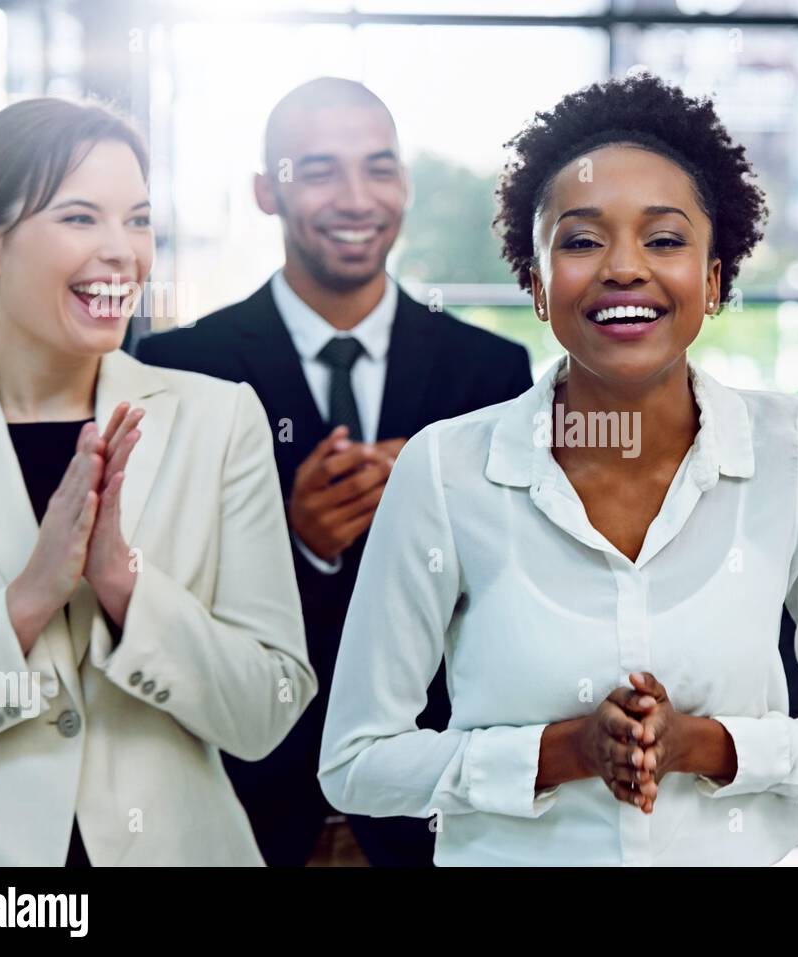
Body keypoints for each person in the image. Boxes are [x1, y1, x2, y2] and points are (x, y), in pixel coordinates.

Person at [319, 73, 798, 866]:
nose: (623, 267)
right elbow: (355, 763)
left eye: (664, 239)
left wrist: (705, 745)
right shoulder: (445, 469)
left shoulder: (794, 449)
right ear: (535, 283)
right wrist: (562, 752)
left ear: (713, 278)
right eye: (581, 239)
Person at [135, 78, 532, 867]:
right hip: (245, 812)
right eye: (318, 171)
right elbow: (154, 601)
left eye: (379, 168)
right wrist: (295, 541)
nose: (357, 197)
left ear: (405, 184)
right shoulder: (182, 368)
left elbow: (519, 603)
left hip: (437, 818)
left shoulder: (490, 371)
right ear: (264, 192)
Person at [0, 98, 315, 866]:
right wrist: (27, 600)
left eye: (138, 220)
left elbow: (266, 708)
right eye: (80, 218)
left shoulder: (219, 421)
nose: (123, 253)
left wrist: (123, 582)